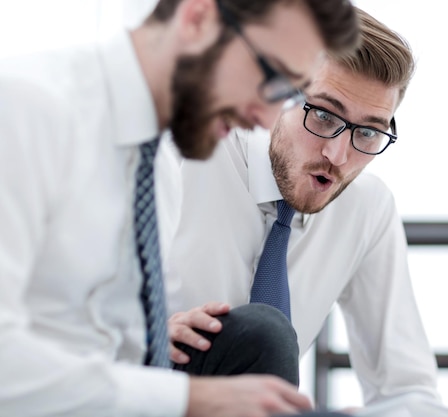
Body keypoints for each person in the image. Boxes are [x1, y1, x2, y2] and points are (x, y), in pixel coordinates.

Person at [0, 0, 360, 416]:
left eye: (287, 95)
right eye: (270, 76)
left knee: (260, 343)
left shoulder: (158, 172)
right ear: (198, 18)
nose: (264, 119)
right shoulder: (27, 109)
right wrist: (192, 399)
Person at [162, 7, 448, 414]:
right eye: (322, 114)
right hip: (152, 394)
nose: (337, 155)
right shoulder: (183, 152)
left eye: (368, 132)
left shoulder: (367, 209)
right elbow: (66, 327)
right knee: (265, 335)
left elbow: (411, 395)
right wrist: (148, 339)